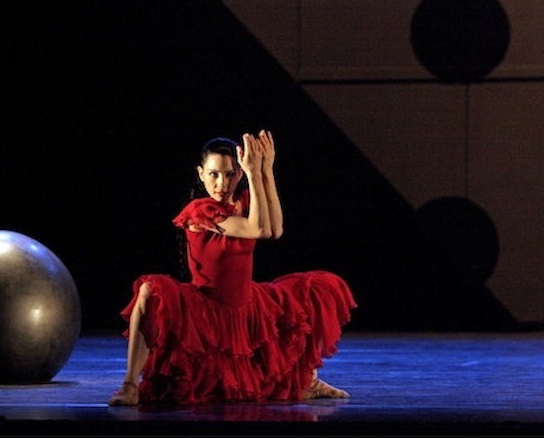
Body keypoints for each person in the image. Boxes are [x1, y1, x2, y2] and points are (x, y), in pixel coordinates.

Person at [108, 129, 358, 406]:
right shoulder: (199, 212)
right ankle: (129, 385)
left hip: (245, 305)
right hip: (206, 306)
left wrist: (265, 171)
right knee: (150, 289)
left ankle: (306, 381)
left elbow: (274, 230)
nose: (221, 183)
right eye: (214, 174)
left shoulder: (244, 203)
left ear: (238, 174)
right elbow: (258, 228)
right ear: (201, 173)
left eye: (229, 174)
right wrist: (253, 174)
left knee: (317, 288)